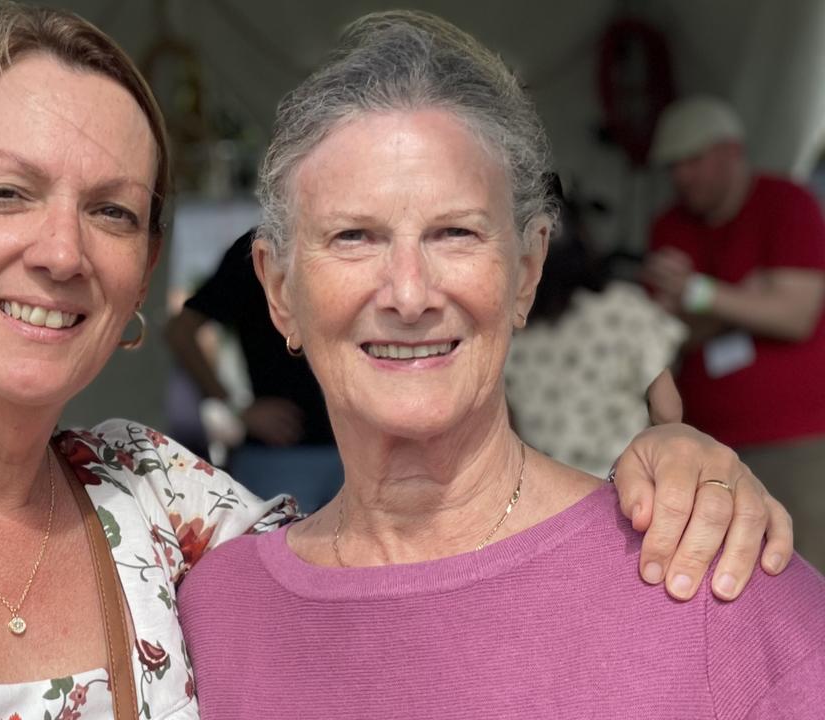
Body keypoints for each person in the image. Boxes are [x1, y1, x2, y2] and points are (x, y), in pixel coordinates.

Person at [0, 4, 796, 719]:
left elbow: (416, 562)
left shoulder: (159, 510)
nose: (59, 250)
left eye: (112, 211)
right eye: (6, 193)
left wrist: (669, 464)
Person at [179, 11, 825, 718]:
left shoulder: (711, 577)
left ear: (525, 271)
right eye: (354, 236)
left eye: (454, 232)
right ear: (279, 291)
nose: (408, 293)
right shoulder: (212, 615)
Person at [643, 96, 825, 571]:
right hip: (708, 444)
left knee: (807, 578)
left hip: (797, 441)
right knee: (725, 577)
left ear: (731, 151)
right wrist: (745, 297)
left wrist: (700, 293)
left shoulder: (788, 203)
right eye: (673, 166)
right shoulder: (670, 223)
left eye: (693, 160)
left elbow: (795, 315)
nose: (682, 175)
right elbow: (667, 332)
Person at [505, 176, 687, 475]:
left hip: (555, 497)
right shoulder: (625, 308)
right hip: (626, 489)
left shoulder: (508, 333)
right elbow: (667, 410)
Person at [166, 230, 343, 511]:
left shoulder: (362, 238)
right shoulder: (261, 247)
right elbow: (181, 330)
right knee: (273, 551)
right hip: (284, 453)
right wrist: (236, 407)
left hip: (364, 448)